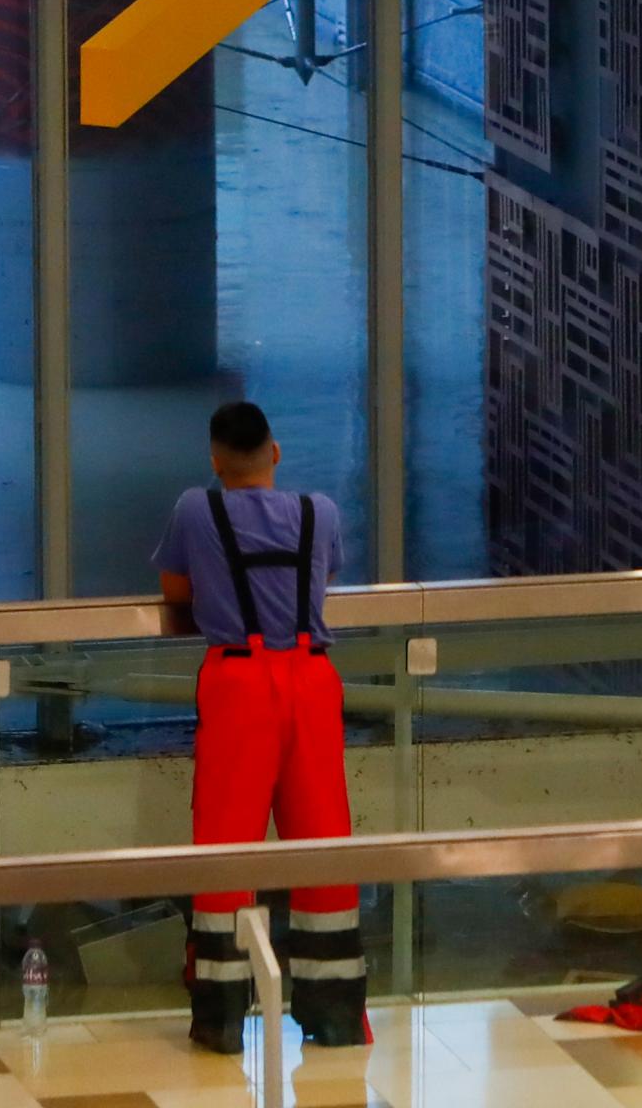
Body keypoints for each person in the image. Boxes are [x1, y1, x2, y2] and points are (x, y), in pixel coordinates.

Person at [153, 401, 370, 1054]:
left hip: (238, 681)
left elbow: (173, 590)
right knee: (322, 841)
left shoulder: (198, 508)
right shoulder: (319, 513)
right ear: (275, 453)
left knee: (226, 844)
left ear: (215, 462)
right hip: (310, 678)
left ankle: (220, 1019)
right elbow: (323, 575)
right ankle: (333, 1015)